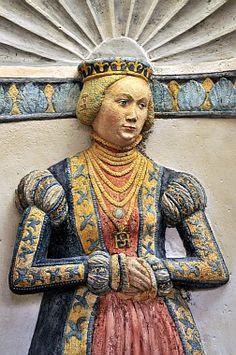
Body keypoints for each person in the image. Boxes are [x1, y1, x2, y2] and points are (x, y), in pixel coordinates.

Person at [9, 57, 229, 355]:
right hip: (80, 326)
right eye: (123, 102)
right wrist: (101, 269)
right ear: (94, 104)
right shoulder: (55, 183)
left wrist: (159, 269)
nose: (134, 115)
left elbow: (213, 268)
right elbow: (24, 273)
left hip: (159, 327)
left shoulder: (172, 184)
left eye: (141, 105)